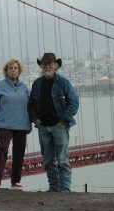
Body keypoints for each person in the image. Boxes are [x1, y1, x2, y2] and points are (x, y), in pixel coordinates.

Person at [29, 52, 79, 192]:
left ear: (56, 66)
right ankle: (53, 188)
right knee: (48, 161)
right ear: (41, 66)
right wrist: (35, 119)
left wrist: (63, 121)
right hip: (43, 127)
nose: (47, 66)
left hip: (59, 127)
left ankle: (64, 190)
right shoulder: (37, 84)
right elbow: (31, 105)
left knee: (62, 159)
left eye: (50, 63)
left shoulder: (63, 83)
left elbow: (73, 103)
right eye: (45, 64)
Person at [0, 58, 31, 189]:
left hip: (22, 125)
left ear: (19, 71)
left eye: (15, 68)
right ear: (6, 71)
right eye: (10, 68)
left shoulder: (24, 88)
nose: (13, 70)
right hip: (4, 124)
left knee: (19, 153)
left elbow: (30, 107)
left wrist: (29, 124)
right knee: (2, 151)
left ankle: (15, 181)